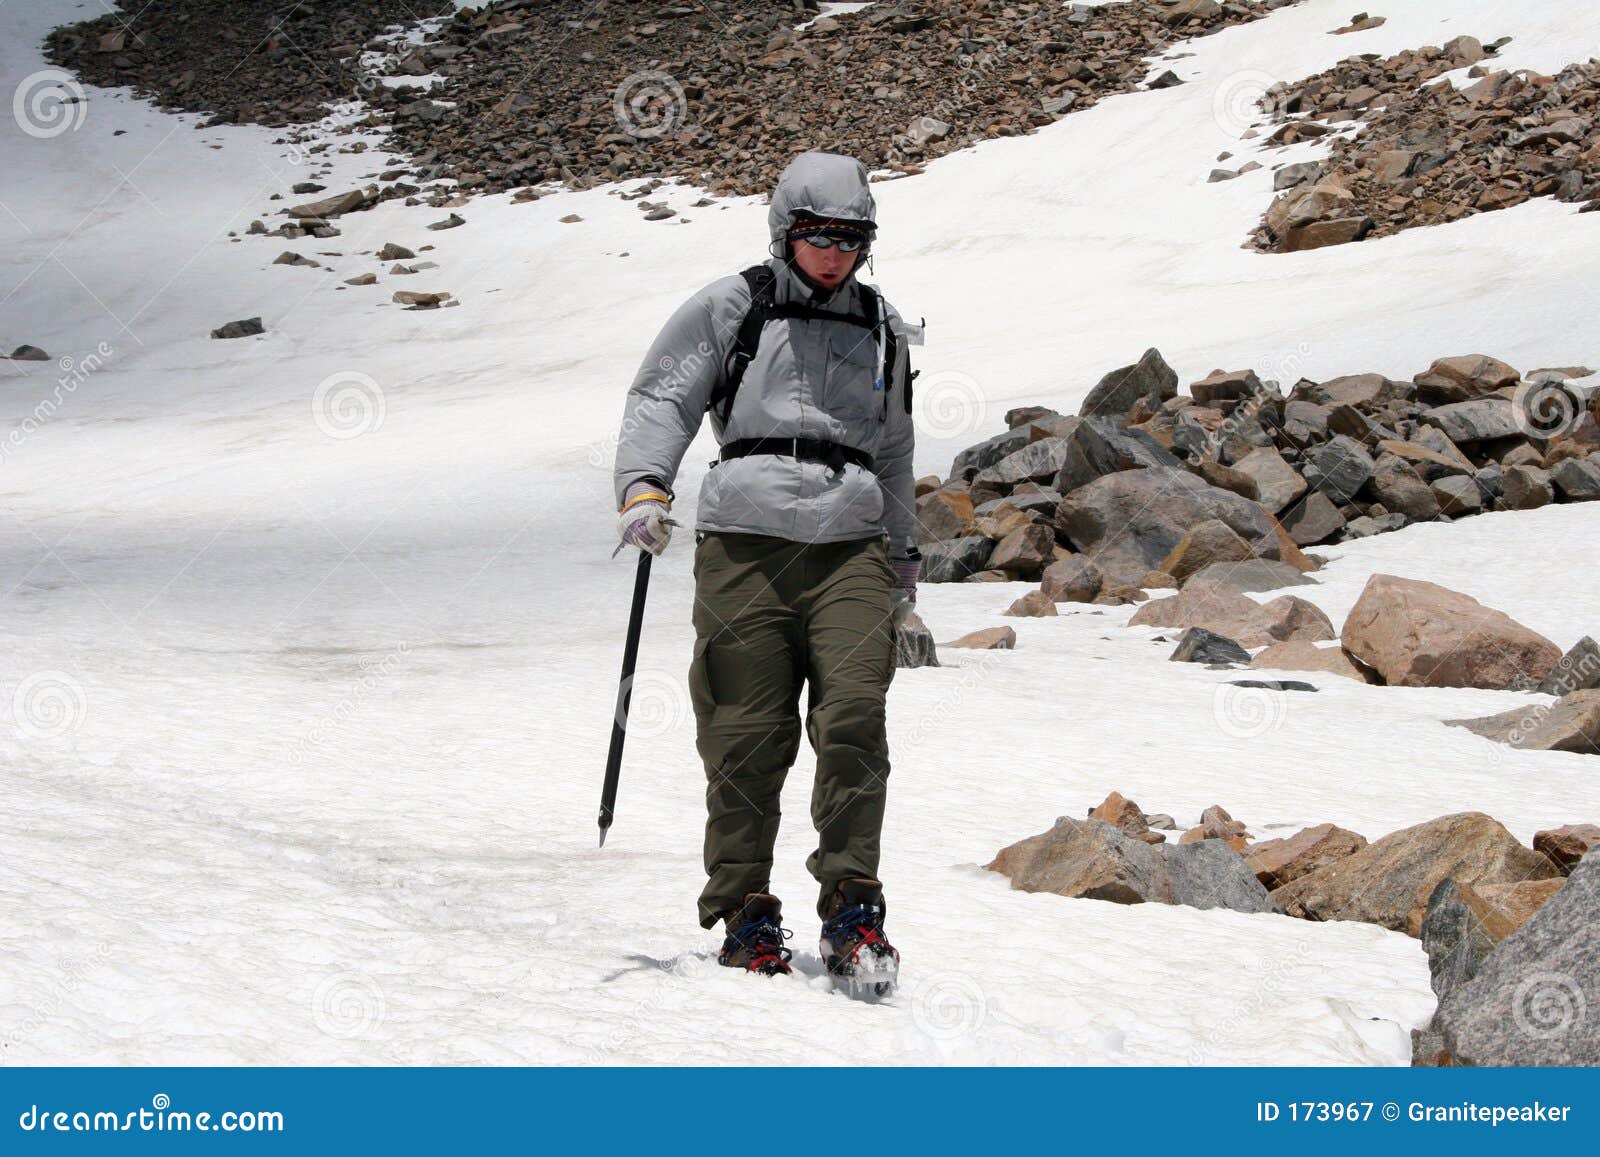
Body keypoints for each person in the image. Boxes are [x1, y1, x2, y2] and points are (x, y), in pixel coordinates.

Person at [611, 150, 919, 992]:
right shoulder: (733, 305)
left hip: (850, 542)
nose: (836, 253)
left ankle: (854, 906)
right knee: (747, 733)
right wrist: (644, 485)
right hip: (744, 541)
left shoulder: (883, 324)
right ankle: (746, 908)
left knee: (855, 712)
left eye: (853, 238)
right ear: (787, 230)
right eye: (820, 236)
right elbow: (664, 396)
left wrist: (903, 555)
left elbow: (893, 448)